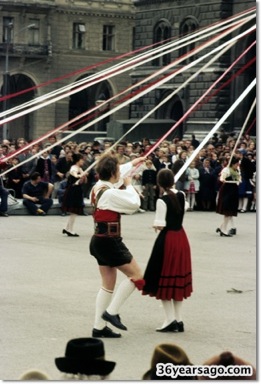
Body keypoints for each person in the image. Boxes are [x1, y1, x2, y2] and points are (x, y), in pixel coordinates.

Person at [89, 153, 146, 338]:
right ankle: (111, 312)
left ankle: (98, 326)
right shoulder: (111, 193)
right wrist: (130, 186)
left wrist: (133, 163)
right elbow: (134, 203)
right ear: (113, 172)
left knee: (107, 284)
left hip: (99, 240)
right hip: (110, 242)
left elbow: (117, 174)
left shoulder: (99, 187)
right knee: (137, 276)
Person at [142, 169, 192, 332]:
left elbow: (160, 224)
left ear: (159, 183)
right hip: (181, 237)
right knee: (177, 280)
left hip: (168, 239)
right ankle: (179, 319)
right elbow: (185, 208)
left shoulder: (162, 200)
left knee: (162, 278)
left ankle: (170, 319)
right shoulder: (182, 195)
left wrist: (154, 225)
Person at [62, 153, 87, 237]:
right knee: (74, 211)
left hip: (77, 190)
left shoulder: (80, 168)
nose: (83, 161)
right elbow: (75, 175)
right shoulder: (73, 168)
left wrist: (83, 176)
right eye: (82, 160)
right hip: (73, 190)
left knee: (74, 212)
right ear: (78, 160)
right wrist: (81, 175)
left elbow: (84, 180)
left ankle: (66, 227)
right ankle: (70, 229)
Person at [216, 156, 241, 237]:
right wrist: (223, 179)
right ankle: (223, 230)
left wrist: (239, 180)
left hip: (234, 190)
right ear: (233, 164)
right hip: (227, 190)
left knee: (230, 211)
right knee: (227, 211)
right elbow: (221, 178)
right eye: (236, 164)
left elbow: (239, 179)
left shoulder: (237, 170)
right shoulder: (227, 170)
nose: (238, 165)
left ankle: (221, 227)